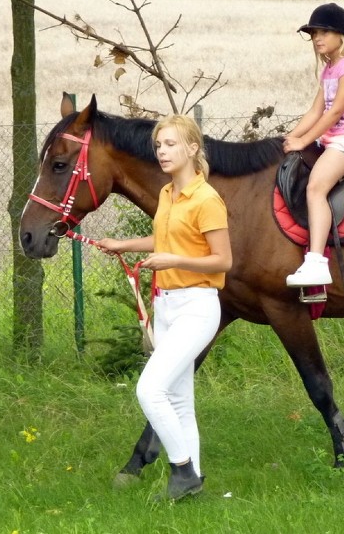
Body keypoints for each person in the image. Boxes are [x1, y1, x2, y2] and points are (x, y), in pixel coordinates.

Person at [98, 114, 232, 501]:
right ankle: (195, 485)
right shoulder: (166, 194)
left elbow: (222, 260)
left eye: (171, 144)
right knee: (177, 400)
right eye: (158, 145)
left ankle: (182, 472)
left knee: (150, 389)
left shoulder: (207, 199)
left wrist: (174, 261)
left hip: (197, 306)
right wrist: (123, 245)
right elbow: (164, 239)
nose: (162, 151)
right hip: (167, 305)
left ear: (192, 148)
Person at [283, 2, 344, 287]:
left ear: (341, 35)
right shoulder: (329, 70)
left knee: (316, 186)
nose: (317, 38)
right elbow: (314, 111)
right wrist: (288, 137)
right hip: (333, 136)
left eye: (324, 32)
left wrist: (303, 141)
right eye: (314, 34)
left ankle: (316, 262)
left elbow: (335, 112)